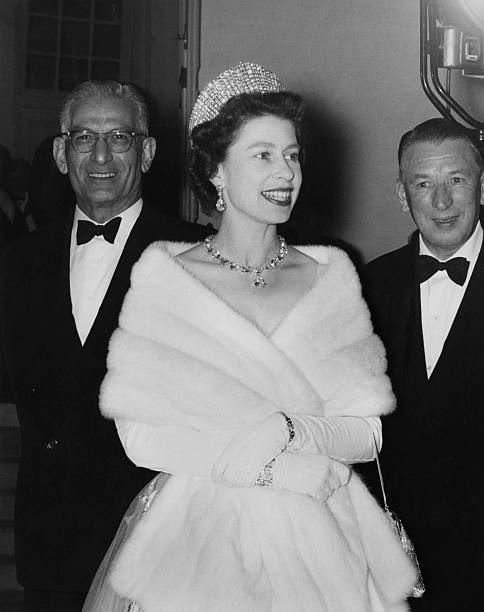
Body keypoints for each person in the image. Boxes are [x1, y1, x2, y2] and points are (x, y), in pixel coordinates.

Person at [82, 63, 416, 612]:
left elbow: (367, 434)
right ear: (216, 170)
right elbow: (140, 435)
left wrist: (290, 430)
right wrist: (267, 465)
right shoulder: (169, 276)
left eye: (291, 154)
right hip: (199, 540)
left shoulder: (330, 275)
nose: (285, 171)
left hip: (324, 532)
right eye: (262, 154)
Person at [0, 80, 208, 612]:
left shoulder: (195, 259)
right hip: (49, 542)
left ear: (148, 150)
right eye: (82, 137)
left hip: (154, 541)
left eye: (119, 137)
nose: (99, 155)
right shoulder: (18, 262)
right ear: (59, 152)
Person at [359, 118, 484, 611]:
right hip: (394, 565)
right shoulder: (365, 287)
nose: (441, 202)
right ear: (401, 194)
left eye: (456, 180)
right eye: (423, 184)